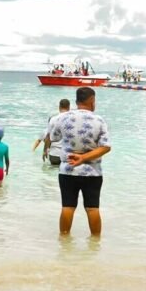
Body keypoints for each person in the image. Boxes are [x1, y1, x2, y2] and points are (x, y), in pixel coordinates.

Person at [48, 87, 110, 237]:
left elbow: (53, 137)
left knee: (68, 207)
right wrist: (84, 157)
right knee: (92, 208)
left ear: (76, 101)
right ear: (91, 101)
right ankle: (95, 243)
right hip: (93, 172)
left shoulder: (61, 118)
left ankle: (64, 241)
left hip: (68, 169)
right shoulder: (99, 120)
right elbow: (106, 147)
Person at [40, 99, 72, 165]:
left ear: (59, 107)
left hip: (54, 154)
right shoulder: (73, 119)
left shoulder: (53, 119)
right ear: (69, 107)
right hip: (68, 154)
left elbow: (48, 137)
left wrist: (44, 151)